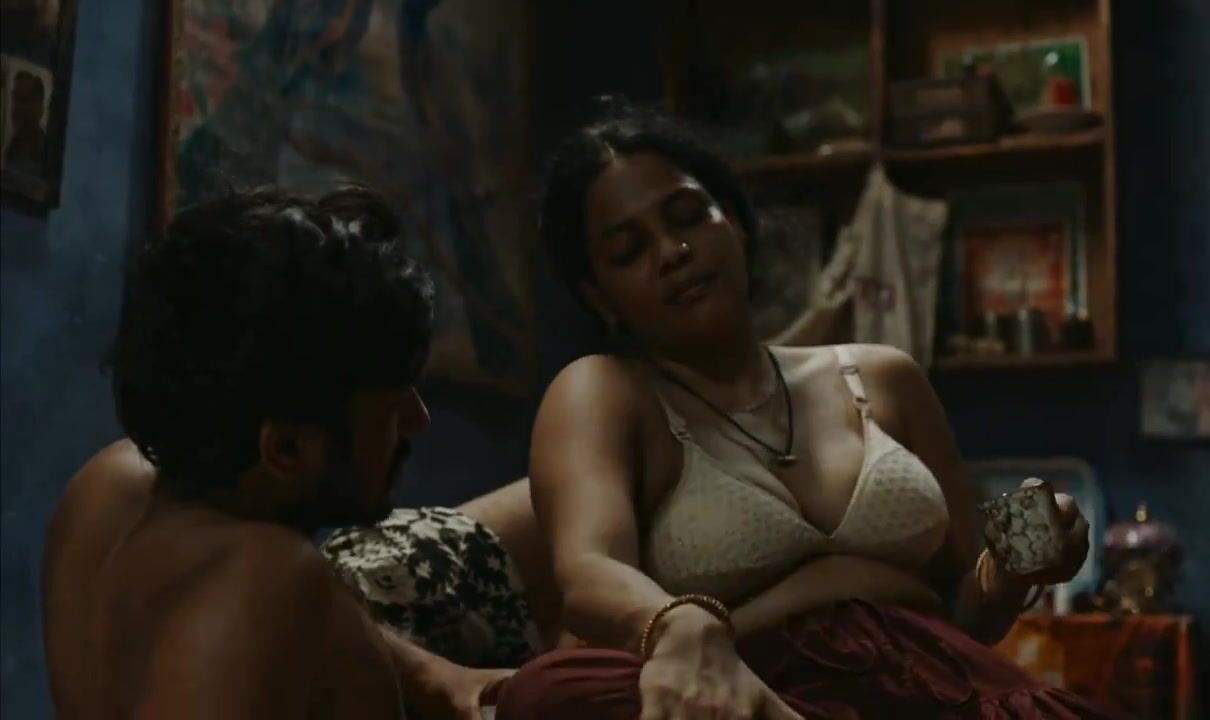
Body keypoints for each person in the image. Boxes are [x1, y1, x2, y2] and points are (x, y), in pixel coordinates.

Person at [494, 102, 1117, 719]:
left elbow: (965, 609)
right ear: (600, 296)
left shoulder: (886, 377)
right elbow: (590, 568)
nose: (672, 251)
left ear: (735, 223)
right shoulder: (604, 390)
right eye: (630, 251)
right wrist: (679, 624)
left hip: (945, 682)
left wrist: (1015, 566)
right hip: (754, 694)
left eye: (688, 216)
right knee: (549, 692)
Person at [40, 186, 505, 719]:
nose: (418, 422)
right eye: (392, 407)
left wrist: (430, 674)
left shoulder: (107, 490)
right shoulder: (274, 578)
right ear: (285, 448)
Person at [4, 70, 48, 175]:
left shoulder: (47, 154)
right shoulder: (13, 146)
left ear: (40, 108)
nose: (17, 107)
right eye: (15, 98)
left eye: (25, 100)